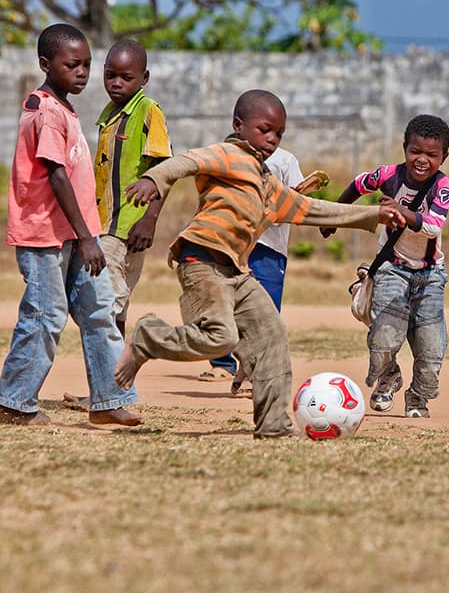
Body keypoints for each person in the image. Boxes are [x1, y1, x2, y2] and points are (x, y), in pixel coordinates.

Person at [110, 89, 406, 438]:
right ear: (239, 125)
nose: (272, 139)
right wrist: (153, 179)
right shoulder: (227, 154)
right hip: (202, 260)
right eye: (264, 129)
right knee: (220, 337)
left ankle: (273, 425)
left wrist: (375, 213)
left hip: (237, 271)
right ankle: (148, 337)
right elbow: (185, 162)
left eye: (278, 133)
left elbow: (311, 209)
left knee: (272, 335)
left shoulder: (267, 184)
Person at [0, 23, 141, 427]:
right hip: (46, 236)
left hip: (76, 235)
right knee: (45, 316)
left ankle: (109, 399)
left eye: (87, 64)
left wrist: (85, 235)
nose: (83, 72)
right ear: (46, 64)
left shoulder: (65, 109)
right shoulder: (44, 111)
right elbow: (56, 175)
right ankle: (13, 401)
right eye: (72, 64)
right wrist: (87, 237)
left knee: (98, 311)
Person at [63, 39, 173, 413]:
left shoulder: (147, 112)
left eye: (126, 77)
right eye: (110, 75)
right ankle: (110, 389)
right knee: (114, 311)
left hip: (126, 229)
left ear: (144, 77)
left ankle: (107, 393)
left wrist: (150, 218)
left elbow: (163, 171)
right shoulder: (110, 114)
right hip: (103, 224)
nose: (116, 83)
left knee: (102, 308)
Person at [321, 114, 449, 419]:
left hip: (430, 275)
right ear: (404, 147)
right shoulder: (388, 175)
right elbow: (357, 185)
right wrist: (338, 218)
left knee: (431, 349)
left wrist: (400, 211)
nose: (422, 160)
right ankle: (389, 375)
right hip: (392, 269)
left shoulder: (443, 186)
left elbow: (432, 226)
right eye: (415, 151)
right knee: (383, 335)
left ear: (443, 156)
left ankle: (418, 397)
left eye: (432, 155)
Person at [197, 142, 303, 396]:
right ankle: (223, 364)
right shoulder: (230, 156)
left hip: (269, 249)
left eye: (273, 131)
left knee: (263, 313)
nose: (266, 137)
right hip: (231, 244)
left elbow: (299, 198)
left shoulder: (285, 160)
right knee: (223, 305)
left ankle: (251, 373)